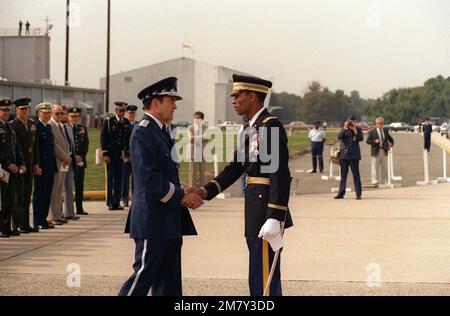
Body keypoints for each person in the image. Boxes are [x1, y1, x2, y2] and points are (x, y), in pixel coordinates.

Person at [193, 74, 294, 296]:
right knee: (257, 271)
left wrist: (274, 216)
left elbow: (278, 173)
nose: (233, 100)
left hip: (265, 210)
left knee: (265, 274)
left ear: (253, 97)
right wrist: (205, 191)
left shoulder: (269, 126)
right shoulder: (250, 127)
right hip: (255, 208)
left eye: (237, 95)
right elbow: (236, 168)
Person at [119, 77, 200, 296]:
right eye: (170, 100)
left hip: (168, 221)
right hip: (152, 221)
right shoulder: (143, 132)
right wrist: (182, 196)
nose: (174, 105)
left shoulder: (161, 131)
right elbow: (149, 178)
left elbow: (165, 172)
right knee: (142, 278)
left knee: (169, 284)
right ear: (155, 103)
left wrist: (183, 190)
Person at [10, 98, 40, 233]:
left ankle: (26, 223)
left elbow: (35, 147)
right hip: (19, 165)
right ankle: (17, 224)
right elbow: (14, 148)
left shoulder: (32, 124)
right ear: (17, 110)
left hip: (30, 164)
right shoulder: (13, 125)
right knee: (18, 196)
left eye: (26, 109)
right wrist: (19, 164)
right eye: (22, 109)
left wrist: (37, 163)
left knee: (27, 195)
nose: (24, 111)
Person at [0, 99, 26, 237]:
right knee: (3, 199)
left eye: (7, 110)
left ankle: (6, 227)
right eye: (3, 110)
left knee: (10, 199)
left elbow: (17, 147)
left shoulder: (9, 127)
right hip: (3, 169)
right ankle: (2, 227)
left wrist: (21, 162)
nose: (6, 113)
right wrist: (8, 163)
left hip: (13, 169)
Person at [101, 102, 132, 211]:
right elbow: (104, 138)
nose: (122, 113)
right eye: (120, 111)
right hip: (111, 154)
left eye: (124, 111)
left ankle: (117, 202)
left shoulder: (127, 123)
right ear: (116, 111)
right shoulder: (109, 122)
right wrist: (105, 153)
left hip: (121, 155)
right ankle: (110, 202)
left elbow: (129, 139)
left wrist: (128, 153)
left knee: (120, 179)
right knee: (110, 179)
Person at [32, 103, 57, 230]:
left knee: (47, 193)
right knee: (40, 194)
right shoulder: (36, 126)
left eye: (49, 113)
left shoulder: (47, 127)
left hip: (50, 166)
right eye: (45, 113)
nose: (47, 115)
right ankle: (37, 220)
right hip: (41, 166)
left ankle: (43, 218)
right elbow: (36, 148)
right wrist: (37, 165)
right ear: (39, 113)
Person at [48, 104, 71, 225]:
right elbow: (55, 145)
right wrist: (66, 157)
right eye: (57, 113)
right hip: (58, 162)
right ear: (52, 113)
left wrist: (68, 157)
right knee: (54, 191)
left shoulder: (60, 125)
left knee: (59, 190)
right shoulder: (50, 125)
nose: (60, 115)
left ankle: (57, 215)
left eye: (62, 113)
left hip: (63, 163)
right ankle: (52, 216)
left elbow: (65, 144)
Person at [335, 116, 364, 200]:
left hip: (354, 155)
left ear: (355, 121)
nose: (351, 123)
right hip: (344, 155)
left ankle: (358, 194)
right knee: (343, 175)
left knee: (356, 175)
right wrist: (345, 127)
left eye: (352, 121)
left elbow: (360, 138)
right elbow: (339, 137)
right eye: (349, 121)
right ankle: (341, 193)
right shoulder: (344, 129)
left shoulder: (358, 129)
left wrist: (355, 129)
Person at [68, 107, 89, 216]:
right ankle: (69, 210)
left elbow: (86, 144)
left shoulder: (82, 128)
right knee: (69, 187)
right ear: (68, 117)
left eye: (76, 116)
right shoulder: (66, 128)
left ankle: (79, 208)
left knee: (79, 186)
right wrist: (74, 157)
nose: (74, 118)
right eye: (72, 116)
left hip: (80, 161)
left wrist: (81, 156)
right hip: (70, 162)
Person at [61, 106, 80, 221]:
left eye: (63, 114)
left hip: (70, 161)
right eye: (60, 114)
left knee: (69, 188)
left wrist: (74, 156)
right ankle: (59, 213)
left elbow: (71, 145)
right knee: (59, 190)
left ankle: (69, 213)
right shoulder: (55, 127)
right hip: (61, 161)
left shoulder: (68, 127)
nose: (62, 116)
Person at [366, 117, 394, 187]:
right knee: (375, 167)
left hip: (384, 151)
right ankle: (375, 181)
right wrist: (374, 141)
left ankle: (384, 181)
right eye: (378, 123)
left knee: (384, 167)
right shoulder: (372, 132)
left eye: (381, 123)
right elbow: (368, 141)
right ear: (376, 124)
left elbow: (390, 139)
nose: (380, 124)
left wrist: (392, 143)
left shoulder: (385, 131)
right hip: (376, 151)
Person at [121, 105, 138, 207]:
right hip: (126, 156)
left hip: (136, 157)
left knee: (136, 180)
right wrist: (125, 155)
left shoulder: (138, 124)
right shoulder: (123, 125)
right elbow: (122, 141)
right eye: (129, 113)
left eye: (133, 113)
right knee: (125, 180)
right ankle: (125, 199)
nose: (131, 115)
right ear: (127, 114)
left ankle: (135, 199)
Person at [188, 111, 208, 188]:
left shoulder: (205, 127)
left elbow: (207, 138)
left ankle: (202, 189)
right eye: (195, 118)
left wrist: (196, 137)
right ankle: (191, 189)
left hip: (202, 152)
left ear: (202, 119)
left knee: (202, 172)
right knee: (192, 172)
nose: (196, 120)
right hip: (193, 152)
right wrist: (201, 137)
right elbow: (191, 139)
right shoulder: (190, 128)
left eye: (198, 118)